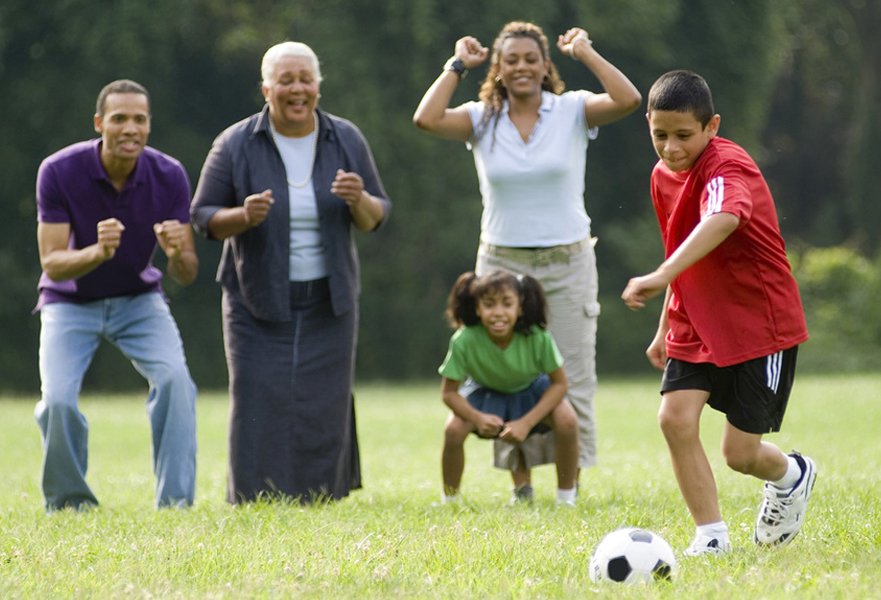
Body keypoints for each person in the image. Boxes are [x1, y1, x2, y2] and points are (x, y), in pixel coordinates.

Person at [413, 21, 641, 501]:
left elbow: (628, 100)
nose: (521, 67)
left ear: (544, 66)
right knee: (505, 375)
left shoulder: (573, 110)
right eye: (511, 60)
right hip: (500, 267)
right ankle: (521, 484)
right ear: (498, 68)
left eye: (530, 59)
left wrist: (586, 52)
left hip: (568, 261)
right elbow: (427, 119)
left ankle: (569, 487)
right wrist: (456, 64)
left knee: (571, 374)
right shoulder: (481, 118)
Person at [621, 70, 817, 555]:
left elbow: (721, 220)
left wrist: (660, 275)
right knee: (674, 418)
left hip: (758, 323)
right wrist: (665, 325)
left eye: (684, 135)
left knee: (740, 455)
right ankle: (711, 538)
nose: (670, 147)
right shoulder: (660, 176)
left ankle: (792, 475)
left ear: (712, 127)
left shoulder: (728, 167)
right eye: (659, 134)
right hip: (693, 318)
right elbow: (680, 245)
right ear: (647, 122)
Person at [190, 41, 391, 504]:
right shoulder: (236, 142)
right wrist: (243, 216)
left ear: (318, 86)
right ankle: (254, 498)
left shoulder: (345, 138)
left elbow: (377, 216)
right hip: (254, 296)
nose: (297, 89)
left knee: (326, 399)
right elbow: (202, 216)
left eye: (305, 79)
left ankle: (321, 495)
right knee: (257, 397)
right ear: (267, 88)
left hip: (330, 297)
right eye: (286, 80)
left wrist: (358, 199)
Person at [34, 79, 199, 511]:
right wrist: (97, 252)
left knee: (176, 382)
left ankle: (176, 504)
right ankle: (71, 504)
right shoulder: (59, 171)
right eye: (120, 118)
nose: (130, 128)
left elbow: (187, 273)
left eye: (140, 120)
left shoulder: (169, 175)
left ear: (149, 126)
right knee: (57, 402)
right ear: (99, 123)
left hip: (137, 300)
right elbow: (51, 262)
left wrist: (177, 252)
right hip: (69, 302)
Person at [438, 270, 579, 505]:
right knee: (453, 430)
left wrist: (526, 422)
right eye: (489, 305)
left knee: (568, 421)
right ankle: (450, 500)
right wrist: (477, 418)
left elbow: (559, 384)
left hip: (532, 392)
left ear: (520, 307)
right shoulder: (464, 340)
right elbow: (449, 393)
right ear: (477, 309)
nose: (498, 313)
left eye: (507, 304)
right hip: (484, 394)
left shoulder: (538, 337)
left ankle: (566, 497)